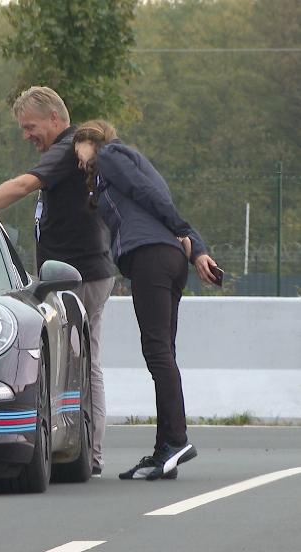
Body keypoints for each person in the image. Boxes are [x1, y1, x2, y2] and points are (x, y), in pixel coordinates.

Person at [72, 120, 218, 480]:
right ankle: (163, 450)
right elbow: (161, 201)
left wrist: (185, 232)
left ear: (91, 140)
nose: (77, 158)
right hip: (168, 258)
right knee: (162, 351)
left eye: (78, 148)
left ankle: (177, 439)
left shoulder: (111, 155)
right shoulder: (128, 164)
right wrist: (196, 250)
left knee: (156, 351)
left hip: (151, 256)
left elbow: (147, 196)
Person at [0, 86, 116, 477]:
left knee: (84, 363)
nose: (27, 135)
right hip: (75, 275)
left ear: (55, 120)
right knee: (78, 362)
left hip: (80, 276)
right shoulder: (66, 151)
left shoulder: (64, 148)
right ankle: (77, 446)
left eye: (31, 126)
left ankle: (88, 451)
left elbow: (22, 186)